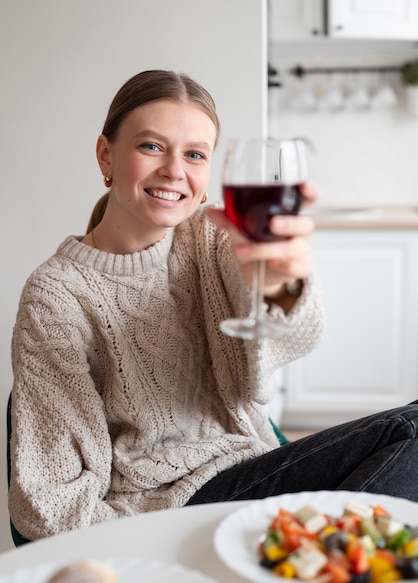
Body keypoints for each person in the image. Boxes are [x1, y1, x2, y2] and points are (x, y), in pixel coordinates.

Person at [9, 69, 418, 543]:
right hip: (167, 508)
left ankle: (319, 571)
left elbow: (283, 344)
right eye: (151, 146)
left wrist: (280, 287)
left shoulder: (210, 236)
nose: (174, 171)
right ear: (106, 154)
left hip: (252, 465)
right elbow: (49, 500)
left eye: (195, 154)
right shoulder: (55, 295)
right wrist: (145, 549)